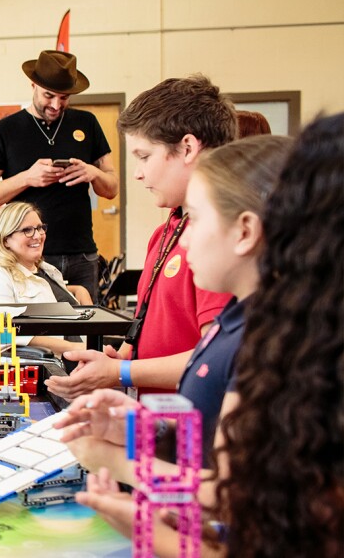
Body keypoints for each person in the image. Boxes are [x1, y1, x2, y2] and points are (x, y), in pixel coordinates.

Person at [61, 120, 334, 557]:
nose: (184, 238)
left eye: (197, 218)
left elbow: (233, 504)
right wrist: (139, 430)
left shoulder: (276, 347)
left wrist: (125, 484)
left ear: (245, 231)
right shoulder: (239, 319)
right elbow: (207, 439)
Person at [48, 75, 236, 399]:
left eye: (144, 156)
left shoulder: (219, 239)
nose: (137, 173)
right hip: (155, 419)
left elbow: (217, 361)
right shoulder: (165, 233)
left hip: (195, 430)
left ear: (188, 148)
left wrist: (121, 372)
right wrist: (119, 359)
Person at [0, 51, 119, 302]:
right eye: (48, 96)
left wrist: (92, 172)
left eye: (64, 98)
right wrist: (27, 178)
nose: (55, 105)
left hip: (82, 253)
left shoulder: (87, 123)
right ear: (33, 85)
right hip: (28, 256)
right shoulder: (5, 130)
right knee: (41, 334)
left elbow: (111, 188)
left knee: (88, 332)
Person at [0, 201, 91, 356]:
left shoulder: (45, 270)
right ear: (5, 240)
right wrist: (70, 347)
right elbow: (3, 335)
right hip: (55, 364)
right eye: (27, 230)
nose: (38, 235)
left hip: (82, 352)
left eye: (40, 228)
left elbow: (45, 296)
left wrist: (77, 290)